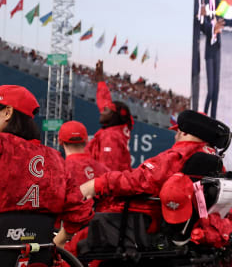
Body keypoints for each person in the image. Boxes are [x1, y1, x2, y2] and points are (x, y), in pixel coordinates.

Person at [78, 111, 227, 232]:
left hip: (140, 218)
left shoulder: (175, 156)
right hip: (181, 224)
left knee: (75, 243)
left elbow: (138, 182)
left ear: (185, 133)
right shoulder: (214, 159)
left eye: (177, 132)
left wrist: (98, 183)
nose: (175, 136)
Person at [0, 85, 90, 247]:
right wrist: (57, 243)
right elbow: (80, 212)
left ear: (7, 112)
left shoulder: (3, 145)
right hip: (39, 265)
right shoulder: (54, 158)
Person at [58, 120, 109, 227]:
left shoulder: (60, 170)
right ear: (86, 140)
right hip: (101, 230)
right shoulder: (104, 169)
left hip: (69, 232)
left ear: (60, 142)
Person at [87, 60, 133, 171]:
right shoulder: (119, 128)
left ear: (114, 116)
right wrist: (100, 80)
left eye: (105, 110)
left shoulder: (111, 137)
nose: (102, 111)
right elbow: (104, 101)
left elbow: (108, 173)